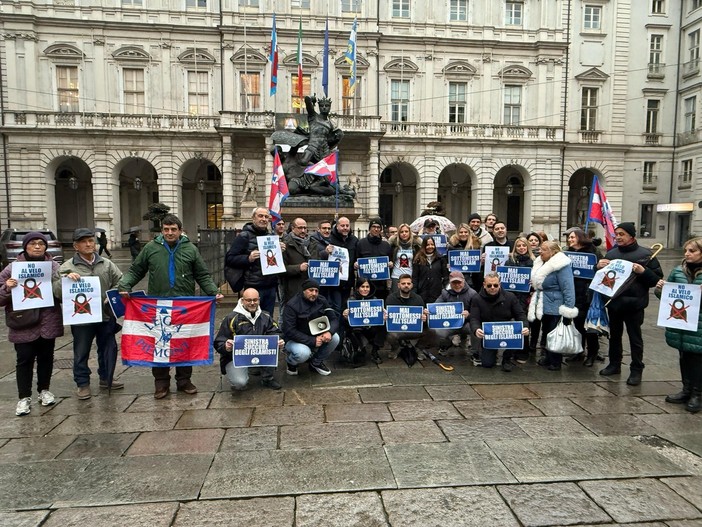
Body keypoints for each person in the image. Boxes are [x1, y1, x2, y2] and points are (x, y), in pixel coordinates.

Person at [118, 214, 222, 399]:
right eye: (166, 229)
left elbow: (203, 274)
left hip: (184, 306)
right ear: (161, 231)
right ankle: (161, 383)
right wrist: (125, 285)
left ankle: (184, 381)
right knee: (160, 344)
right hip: (159, 305)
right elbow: (136, 270)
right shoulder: (151, 248)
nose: (169, 232)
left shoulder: (190, 249)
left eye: (173, 229)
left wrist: (213, 292)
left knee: (183, 342)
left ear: (180, 231)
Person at [0, 232, 63, 416]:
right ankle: (24, 397)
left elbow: (62, 291)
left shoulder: (54, 267)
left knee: (46, 358)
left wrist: (69, 279)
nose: (37, 247)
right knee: (24, 359)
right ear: (25, 247)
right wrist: (6, 288)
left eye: (41, 244)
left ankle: (44, 390)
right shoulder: (12, 268)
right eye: (33, 243)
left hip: (47, 321)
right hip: (23, 322)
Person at [58, 228, 124, 399]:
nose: (88, 244)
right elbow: (56, 291)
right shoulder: (67, 267)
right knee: (81, 351)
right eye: (84, 241)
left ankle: (106, 377)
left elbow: (121, 282)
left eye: (91, 241)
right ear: (76, 246)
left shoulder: (107, 264)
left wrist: (110, 296)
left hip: (105, 316)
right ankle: (82, 384)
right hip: (82, 319)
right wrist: (65, 281)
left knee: (108, 349)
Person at [597, 222, 663, 385]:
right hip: (614, 303)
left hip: (635, 304)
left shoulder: (646, 255)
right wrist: (596, 267)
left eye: (622, 234)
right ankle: (614, 364)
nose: (618, 237)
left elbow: (657, 280)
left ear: (631, 236)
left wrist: (643, 271)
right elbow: (601, 278)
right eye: (617, 234)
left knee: (635, 338)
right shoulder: (611, 253)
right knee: (614, 336)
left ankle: (636, 369)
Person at [655, 237, 702, 413]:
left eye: (692, 251)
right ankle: (686, 389)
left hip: (699, 325)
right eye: (686, 251)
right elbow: (668, 299)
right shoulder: (678, 271)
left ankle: (697, 394)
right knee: (684, 357)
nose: (687, 254)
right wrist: (661, 288)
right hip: (682, 324)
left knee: (697, 359)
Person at [214, 288, 284, 392]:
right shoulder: (231, 318)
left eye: (255, 300)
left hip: (259, 353)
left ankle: (267, 378)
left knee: (273, 345)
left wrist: (279, 340)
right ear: (242, 300)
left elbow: (275, 331)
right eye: (249, 300)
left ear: (259, 300)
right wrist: (226, 346)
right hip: (235, 358)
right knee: (240, 383)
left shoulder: (266, 316)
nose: (252, 303)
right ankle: (248, 370)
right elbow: (218, 341)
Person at [528, 241, 578, 371]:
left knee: (554, 333)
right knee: (547, 332)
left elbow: (568, 288)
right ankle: (548, 357)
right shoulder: (540, 262)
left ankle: (556, 361)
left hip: (556, 304)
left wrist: (568, 309)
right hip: (542, 302)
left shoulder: (562, 265)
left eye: (543, 249)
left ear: (553, 252)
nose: (540, 251)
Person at [226, 207, 280, 317]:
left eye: (266, 217)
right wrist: (248, 258)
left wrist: (280, 251)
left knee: (267, 319)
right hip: (253, 286)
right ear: (253, 218)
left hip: (270, 286)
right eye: (260, 216)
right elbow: (230, 259)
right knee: (251, 318)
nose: (264, 219)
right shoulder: (244, 236)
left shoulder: (271, 237)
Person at [470, 272, 529, 372]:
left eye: (495, 285)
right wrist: (477, 329)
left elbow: (520, 314)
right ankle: (490, 353)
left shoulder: (510, 297)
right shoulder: (477, 299)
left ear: (499, 284)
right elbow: (474, 318)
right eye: (489, 285)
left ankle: (507, 357)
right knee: (487, 364)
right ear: (484, 285)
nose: (492, 287)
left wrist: (525, 326)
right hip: (489, 333)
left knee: (521, 330)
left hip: (507, 331)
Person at [283, 279, 339, 376]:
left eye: (316, 291)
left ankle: (316, 362)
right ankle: (291, 362)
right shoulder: (291, 305)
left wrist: (329, 332)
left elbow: (334, 319)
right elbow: (289, 330)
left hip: (317, 335)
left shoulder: (322, 300)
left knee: (335, 338)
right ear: (304, 290)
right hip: (295, 339)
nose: (314, 293)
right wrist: (312, 341)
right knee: (303, 353)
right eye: (311, 290)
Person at [566, 228, 602, 367]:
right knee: (577, 325)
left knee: (590, 327)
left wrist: (597, 267)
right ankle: (579, 351)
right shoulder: (568, 253)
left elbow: (601, 271)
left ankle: (592, 353)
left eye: (573, 237)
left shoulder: (593, 253)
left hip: (588, 294)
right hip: (573, 292)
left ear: (580, 238)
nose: (570, 240)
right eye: (569, 237)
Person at [385, 274, 428, 360]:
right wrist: (385, 317)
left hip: (414, 330)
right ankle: (396, 348)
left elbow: (423, 318)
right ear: (398, 285)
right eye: (403, 283)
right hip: (397, 330)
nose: (406, 286)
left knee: (433, 332)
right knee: (390, 335)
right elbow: (388, 319)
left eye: (408, 283)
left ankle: (419, 348)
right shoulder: (390, 298)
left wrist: (424, 317)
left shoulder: (418, 299)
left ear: (412, 285)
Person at [342, 278, 386, 364]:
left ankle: (375, 351)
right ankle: (360, 349)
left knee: (383, 325)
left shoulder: (375, 300)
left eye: (367, 287)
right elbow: (344, 322)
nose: (365, 289)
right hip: (357, 329)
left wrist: (383, 317)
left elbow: (378, 318)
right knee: (354, 330)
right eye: (362, 287)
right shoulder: (350, 300)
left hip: (371, 327)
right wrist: (345, 316)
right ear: (357, 288)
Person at [506, 237, 535, 363]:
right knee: (512, 324)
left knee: (524, 324)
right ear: (515, 248)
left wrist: (533, 283)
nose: (521, 248)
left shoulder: (534, 262)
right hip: (512, 297)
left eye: (524, 245)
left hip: (526, 298)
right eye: (519, 246)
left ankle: (524, 351)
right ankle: (511, 350)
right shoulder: (510, 261)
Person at [434, 271, 477, 356]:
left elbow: (477, 313)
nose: (457, 285)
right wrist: (429, 311)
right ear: (450, 282)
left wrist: (469, 314)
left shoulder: (472, 293)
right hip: (450, 324)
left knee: (476, 329)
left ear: (464, 281)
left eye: (459, 282)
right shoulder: (445, 292)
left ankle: (475, 353)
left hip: (466, 324)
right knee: (437, 330)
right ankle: (445, 345)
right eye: (454, 283)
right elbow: (436, 306)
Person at [356, 217, 394, 301]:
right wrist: (356, 265)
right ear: (369, 228)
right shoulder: (361, 243)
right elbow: (356, 259)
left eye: (378, 227)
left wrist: (390, 264)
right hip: (365, 285)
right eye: (373, 227)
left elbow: (391, 261)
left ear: (381, 230)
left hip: (381, 285)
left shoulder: (386, 245)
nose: (376, 229)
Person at [281, 217, 312, 310]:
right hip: (293, 288)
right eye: (300, 228)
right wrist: (298, 268)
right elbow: (281, 269)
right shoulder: (285, 245)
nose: (303, 230)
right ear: (293, 228)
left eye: (305, 228)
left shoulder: (312, 243)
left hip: (310, 288)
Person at [412, 236, 448, 304]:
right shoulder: (418, 259)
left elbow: (446, 277)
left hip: (437, 292)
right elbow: (415, 278)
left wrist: (446, 290)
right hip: (422, 293)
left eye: (432, 244)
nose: (430, 246)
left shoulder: (441, 259)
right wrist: (414, 293)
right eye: (428, 245)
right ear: (424, 246)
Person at [389, 223, 422, 292]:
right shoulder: (394, 246)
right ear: (398, 234)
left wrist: (415, 236)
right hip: (396, 277)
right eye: (401, 232)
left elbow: (423, 244)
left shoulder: (414, 247)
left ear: (410, 233)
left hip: (410, 277)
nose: (404, 233)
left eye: (406, 231)